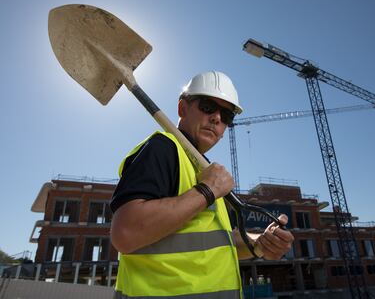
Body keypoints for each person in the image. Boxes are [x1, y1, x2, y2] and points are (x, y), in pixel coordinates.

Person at [110, 71, 294, 298]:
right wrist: (207, 191)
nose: (217, 118)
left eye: (226, 115)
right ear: (182, 109)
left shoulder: (204, 170)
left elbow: (221, 243)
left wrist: (261, 244)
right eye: (208, 106)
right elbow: (125, 233)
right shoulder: (163, 149)